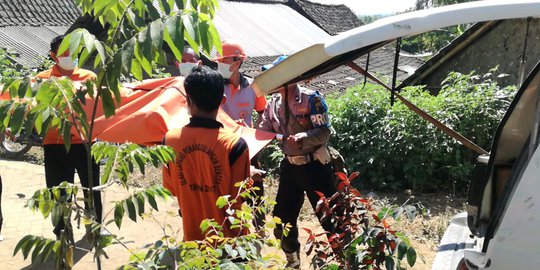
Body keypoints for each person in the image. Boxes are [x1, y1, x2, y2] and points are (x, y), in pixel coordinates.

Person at [258, 56, 337, 269]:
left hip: (315, 167)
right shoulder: (272, 104)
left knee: (331, 218)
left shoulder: (312, 99)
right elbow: (264, 132)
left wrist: (305, 138)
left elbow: (324, 131)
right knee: (281, 219)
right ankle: (292, 261)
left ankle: (345, 259)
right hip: (290, 167)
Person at [162, 65, 251, 241]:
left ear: (188, 100)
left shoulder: (169, 141)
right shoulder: (235, 145)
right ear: (222, 101)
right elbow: (238, 199)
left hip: (193, 244)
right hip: (231, 247)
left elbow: (172, 187)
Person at [36, 35, 102, 239]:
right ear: (53, 56)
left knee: (91, 189)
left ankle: (96, 227)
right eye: (63, 53)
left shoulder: (88, 77)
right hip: (55, 144)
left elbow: (96, 110)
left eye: (71, 51)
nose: (68, 56)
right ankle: (62, 233)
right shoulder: (42, 80)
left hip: (85, 143)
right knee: (58, 193)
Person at [215, 41, 268, 230]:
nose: (219, 65)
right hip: (223, 146)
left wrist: (258, 132)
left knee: (256, 187)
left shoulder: (253, 87)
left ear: (237, 62)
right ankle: (227, 227)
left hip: (249, 147)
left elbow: (263, 111)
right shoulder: (215, 86)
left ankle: (259, 226)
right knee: (226, 187)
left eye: (223, 60)